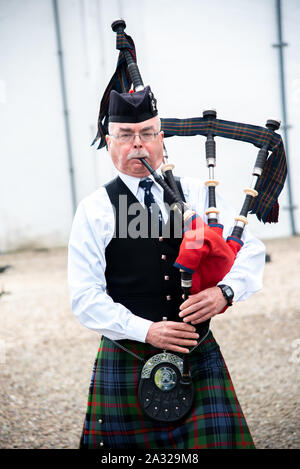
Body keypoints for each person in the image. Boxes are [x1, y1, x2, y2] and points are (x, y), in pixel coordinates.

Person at [68, 86, 265, 449]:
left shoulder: (195, 193)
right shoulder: (95, 209)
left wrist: (225, 292)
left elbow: (248, 249)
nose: (137, 144)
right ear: (110, 143)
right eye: (126, 135)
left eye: (147, 133)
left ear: (162, 139)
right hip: (127, 355)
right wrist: (145, 330)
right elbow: (84, 297)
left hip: (197, 352)